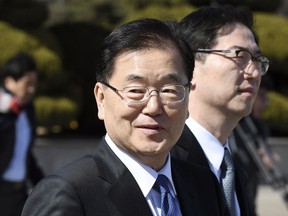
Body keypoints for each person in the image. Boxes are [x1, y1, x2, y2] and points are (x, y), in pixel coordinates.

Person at [21, 18, 227, 216]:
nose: (154, 107)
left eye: (169, 90)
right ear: (101, 99)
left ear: (188, 96)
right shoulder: (68, 194)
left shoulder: (204, 185)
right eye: (136, 91)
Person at [171, 4, 270, 216]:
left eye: (257, 59)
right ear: (190, 67)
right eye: (239, 55)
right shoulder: (165, 161)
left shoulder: (233, 169)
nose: (253, 72)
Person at [0, 53, 44, 216]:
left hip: (19, 193)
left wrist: (43, 184)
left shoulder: (28, 110)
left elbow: (24, 152)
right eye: (27, 83)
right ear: (9, 82)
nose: (32, 89)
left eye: (34, 83)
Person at [230, 76, 282, 216]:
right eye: (262, 96)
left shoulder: (259, 126)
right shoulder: (236, 122)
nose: (267, 101)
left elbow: (262, 149)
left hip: (250, 180)